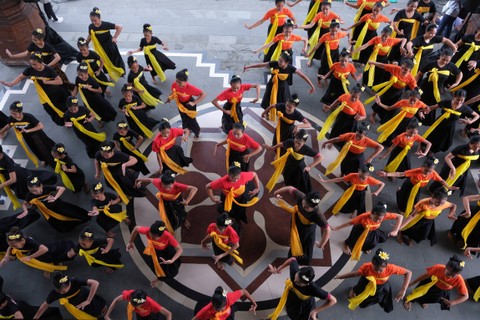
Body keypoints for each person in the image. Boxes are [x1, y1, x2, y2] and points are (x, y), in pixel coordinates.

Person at [0, 53, 69, 126]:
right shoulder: (30, 69)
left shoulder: (49, 70)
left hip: (56, 92)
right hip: (44, 94)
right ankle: (62, 122)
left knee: (62, 106)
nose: (33, 66)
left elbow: (59, 81)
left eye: (35, 64)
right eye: (32, 64)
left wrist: (47, 82)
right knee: (49, 109)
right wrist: (11, 83)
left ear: (40, 62)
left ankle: (69, 119)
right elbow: (21, 77)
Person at [244, 52, 315, 121]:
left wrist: (312, 86)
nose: (279, 62)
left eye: (281, 61)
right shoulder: (275, 63)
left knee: (283, 100)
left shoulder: (290, 68)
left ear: (286, 62)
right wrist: (248, 67)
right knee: (268, 99)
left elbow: (303, 75)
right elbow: (262, 65)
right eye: (279, 60)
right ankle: (267, 112)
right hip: (272, 85)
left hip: (282, 87)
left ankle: (280, 112)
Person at [335, 249, 412, 313]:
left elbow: (408, 272)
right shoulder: (366, 267)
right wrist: (341, 276)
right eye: (375, 269)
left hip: (379, 287)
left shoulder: (391, 268)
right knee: (357, 290)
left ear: (386, 267)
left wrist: (403, 290)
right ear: (372, 264)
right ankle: (353, 291)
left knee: (372, 299)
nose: (378, 272)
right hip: (365, 283)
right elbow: (356, 274)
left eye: (380, 270)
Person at [273, 186, 331, 265]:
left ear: (313, 207)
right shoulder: (301, 196)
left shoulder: (317, 214)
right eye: (303, 203)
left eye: (307, 207)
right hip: (297, 220)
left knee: (305, 246)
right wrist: (276, 193)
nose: (303, 206)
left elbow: (327, 229)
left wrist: (321, 244)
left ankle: (301, 261)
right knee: (294, 235)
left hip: (307, 230)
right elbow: (290, 188)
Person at [267, 257, 336, 320]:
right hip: (292, 296)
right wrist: (278, 269)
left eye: (299, 283)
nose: (294, 281)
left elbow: (333, 300)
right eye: (295, 278)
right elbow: (292, 259)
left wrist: (315, 311)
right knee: (290, 310)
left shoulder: (313, 288)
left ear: (307, 284)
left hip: (303, 306)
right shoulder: (295, 272)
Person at [378, 157, 453, 216]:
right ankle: (401, 206)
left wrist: (448, 187)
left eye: (430, 171)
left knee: (415, 200)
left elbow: (441, 180)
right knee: (404, 199)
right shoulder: (416, 171)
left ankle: (403, 196)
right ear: (422, 167)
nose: (427, 173)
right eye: (426, 170)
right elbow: (401, 174)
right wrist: (386, 174)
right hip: (409, 186)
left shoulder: (432, 173)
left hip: (417, 188)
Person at [332, 202, 403, 260]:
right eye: (376, 219)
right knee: (353, 240)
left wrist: (396, 230)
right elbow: (350, 223)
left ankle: (365, 247)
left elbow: (400, 216)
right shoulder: (363, 216)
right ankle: (345, 244)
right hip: (360, 230)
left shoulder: (384, 215)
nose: (378, 221)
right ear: (372, 214)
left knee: (375, 242)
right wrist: (337, 228)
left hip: (371, 231)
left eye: (380, 219)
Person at [19, 176, 89, 233]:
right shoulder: (30, 195)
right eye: (31, 190)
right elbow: (24, 204)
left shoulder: (46, 188)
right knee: (56, 222)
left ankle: (83, 218)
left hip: (56, 204)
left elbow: (62, 188)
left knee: (70, 212)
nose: (33, 192)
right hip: (47, 211)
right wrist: (25, 211)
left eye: (35, 190)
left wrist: (55, 198)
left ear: (40, 186)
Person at [0, 101, 56, 168]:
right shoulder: (11, 119)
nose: (13, 116)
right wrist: (1, 132)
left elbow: (40, 126)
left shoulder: (28, 117)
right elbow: (9, 125)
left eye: (15, 114)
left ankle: (54, 159)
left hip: (37, 135)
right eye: (11, 114)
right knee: (34, 149)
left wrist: (28, 130)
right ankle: (43, 159)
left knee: (45, 148)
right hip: (27, 137)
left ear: (20, 112)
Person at [0, 227, 73, 277]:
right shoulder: (18, 242)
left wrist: (30, 257)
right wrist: (6, 256)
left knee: (51, 258)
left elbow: (44, 249)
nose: (13, 247)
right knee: (43, 261)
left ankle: (56, 264)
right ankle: (49, 266)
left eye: (15, 246)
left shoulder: (30, 242)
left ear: (22, 240)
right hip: (34, 254)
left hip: (43, 253)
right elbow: (10, 246)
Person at [127, 220, 183, 286]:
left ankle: (159, 279)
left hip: (165, 254)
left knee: (166, 271)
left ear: (161, 235)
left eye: (154, 237)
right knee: (154, 267)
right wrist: (130, 242)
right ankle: (158, 278)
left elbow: (180, 249)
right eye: (151, 234)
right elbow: (136, 228)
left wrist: (172, 260)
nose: (151, 237)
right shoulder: (148, 231)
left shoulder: (168, 236)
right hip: (153, 251)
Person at [403, 255, 468, 311]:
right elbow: (426, 275)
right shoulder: (438, 268)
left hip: (441, 290)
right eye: (448, 274)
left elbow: (465, 296)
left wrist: (453, 303)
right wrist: (413, 282)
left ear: (458, 274)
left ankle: (422, 301)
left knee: (434, 299)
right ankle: (410, 301)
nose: (450, 277)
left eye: (453, 276)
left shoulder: (459, 280)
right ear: (446, 267)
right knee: (418, 292)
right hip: (429, 283)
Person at [416, 49, 463, 125]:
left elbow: (459, 73)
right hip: (425, 87)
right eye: (443, 59)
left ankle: (424, 120)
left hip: (438, 89)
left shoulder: (451, 66)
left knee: (431, 104)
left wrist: (456, 83)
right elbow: (419, 74)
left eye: (447, 60)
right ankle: (415, 117)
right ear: (440, 56)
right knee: (421, 101)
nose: (445, 62)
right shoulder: (431, 64)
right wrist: (415, 86)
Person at [206, 164, 260, 229]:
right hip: (227, 199)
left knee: (240, 210)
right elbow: (208, 186)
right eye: (232, 178)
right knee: (226, 213)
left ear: (240, 174)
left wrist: (257, 188)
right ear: (228, 174)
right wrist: (212, 198)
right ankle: (229, 222)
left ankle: (238, 220)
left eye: (237, 178)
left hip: (240, 197)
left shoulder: (243, 176)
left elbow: (254, 174)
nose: (235, 180)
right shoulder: (222, 181)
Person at [33, 271, 107, 319]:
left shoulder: (74, 281)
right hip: (78, 304)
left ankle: (103, 310)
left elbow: (95, 283)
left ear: (69, 285)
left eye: (63, 291)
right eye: (58, 291)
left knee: (98, 306)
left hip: (87, 297)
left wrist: (88, 300)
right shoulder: (54, 294)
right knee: (90, 314)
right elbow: (44, 306)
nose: (61, 293)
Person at [319, 164, 384, 216]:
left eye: (363, 177)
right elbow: (339, 179)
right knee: (345, 201)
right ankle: (340, 210)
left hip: (361, 193)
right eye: (360, 175)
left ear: (368, 175)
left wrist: (376, 192)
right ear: (358, 170)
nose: (361, 178)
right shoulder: (352, 175)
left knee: (358, 204)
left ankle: (354, 211)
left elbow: (382, 184)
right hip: (351, 190)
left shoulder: (370, 179)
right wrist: (326, 181)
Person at [366, 59, 417, 124]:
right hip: (389, 88)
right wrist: (372, 62)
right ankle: (373, 114)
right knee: (382, 100)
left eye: (406, 70)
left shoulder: (411, 78)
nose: (403, 70)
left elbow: (415, 89)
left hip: (399, 92)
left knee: (394, 107)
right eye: (402, 68)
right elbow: (383, 66)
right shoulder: (396, 68)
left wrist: (414, 99)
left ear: (410, 70)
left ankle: (385, 120)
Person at [71, 62, 117, 126]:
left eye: (81, 75)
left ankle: (104, 119)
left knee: (101, 110)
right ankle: (99, 122)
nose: (80, 76)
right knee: (91, 112)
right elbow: (76, 88)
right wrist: (71, 97)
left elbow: (100, 90)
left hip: (95, 98)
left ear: (86, 73)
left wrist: (90, 89)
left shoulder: (91, 80)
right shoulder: (78, 78)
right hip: (86, 100)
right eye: (78, 74)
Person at [298, 1, 342, 67]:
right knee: (315, 45)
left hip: (329, 32)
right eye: (323, 9)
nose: (324, 11)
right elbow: (310, 25)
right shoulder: (319, 15)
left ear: (330, 8)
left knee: (327, 47)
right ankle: (311, 59)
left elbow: (339, 20)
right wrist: (299, 26)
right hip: (319, 32)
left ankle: (327, 60)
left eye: (326, 9)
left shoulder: (333, 15)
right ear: (321, 8)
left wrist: (340, 22)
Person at [87, 7, 125, 82]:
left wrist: (115, 37)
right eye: (92, 21)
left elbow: (119, 27)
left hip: (110, 46)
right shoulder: (91, 26)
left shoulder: (106, 25)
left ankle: (117, 72)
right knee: (104, 62)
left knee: (113, 60)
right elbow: (90, 35)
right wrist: (86, 43)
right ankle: (110, 74)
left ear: (100, 18)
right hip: (101, 48)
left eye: (95, 20)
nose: (94, 22)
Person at [165, 68, 206, 138]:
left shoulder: (190, 88)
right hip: (180, 105)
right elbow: (173, 91)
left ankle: (196, 132)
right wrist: (169, 98)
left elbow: (203, 94)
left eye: (180, 82)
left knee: (192, 120)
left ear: (185, 81)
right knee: (183, 118)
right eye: (176, 81)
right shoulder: (174, 84)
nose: (177, 84)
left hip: (189, 105)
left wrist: (194, 103)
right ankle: (186, 130)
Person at [105, 289, 172, 320]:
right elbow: (116, 300)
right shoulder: (131, 295)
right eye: (132, 303)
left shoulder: (151, 303)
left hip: (151, 315)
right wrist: (107, 315)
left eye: (136, 305)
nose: (132, 305)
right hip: (140, 315)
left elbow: (168, 314)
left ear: (143, 302)